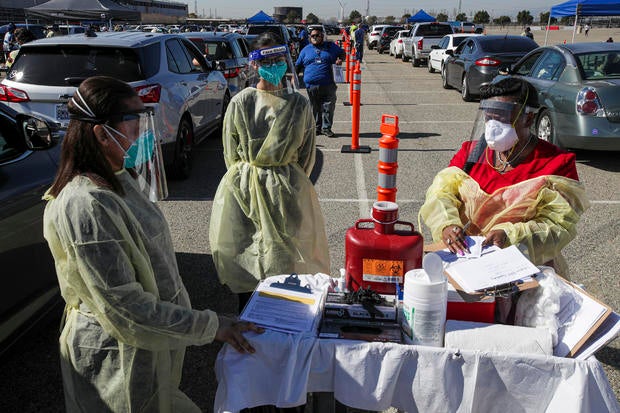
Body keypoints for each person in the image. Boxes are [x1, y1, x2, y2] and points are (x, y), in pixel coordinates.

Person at [43, 75, 263, 412]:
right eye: (135, 122)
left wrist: (207, 321)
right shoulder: (85, 204)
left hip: (147, 349)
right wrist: (211, 326)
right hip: (118, 362)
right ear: (102, 134)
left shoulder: (119, 179)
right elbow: (127, 308)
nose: (144, 133)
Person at [419, 77, 589, 278]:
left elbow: (558, 226)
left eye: (501, 118)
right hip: (468, 263)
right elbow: (441, 193)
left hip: (526, 268)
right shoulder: (471, 154)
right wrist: (447, 224)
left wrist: (511, 236)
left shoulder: (556, 164)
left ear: (529, 118)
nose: (492, 126)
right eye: (488, 117)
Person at [209, 33, 331, 313]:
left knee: (285, 260)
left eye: (279, 59)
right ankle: (251, 324)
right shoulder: (241, 103)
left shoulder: (299, 105)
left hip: (287, 192)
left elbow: (306, 155)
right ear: (254, 65)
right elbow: (231, 154)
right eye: (268, 60)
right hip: (246, 193)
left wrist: (288, 184)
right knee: (251, 259)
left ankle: (284, 321)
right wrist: (252, 182)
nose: (275, 65)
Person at [295, 27, 345, 137]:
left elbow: (342, 53)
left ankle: (326, 128)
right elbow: (298, 65)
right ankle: (317, 128)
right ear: (309, 37)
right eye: (313, 36)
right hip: (311, 85)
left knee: (328, 106)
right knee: (315, 107)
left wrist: (340, 59)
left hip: (328, 84)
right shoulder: (306, 49)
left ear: (322, 36)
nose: (315, 38)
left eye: (317, 35)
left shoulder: (331, 46)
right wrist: (294, 78)